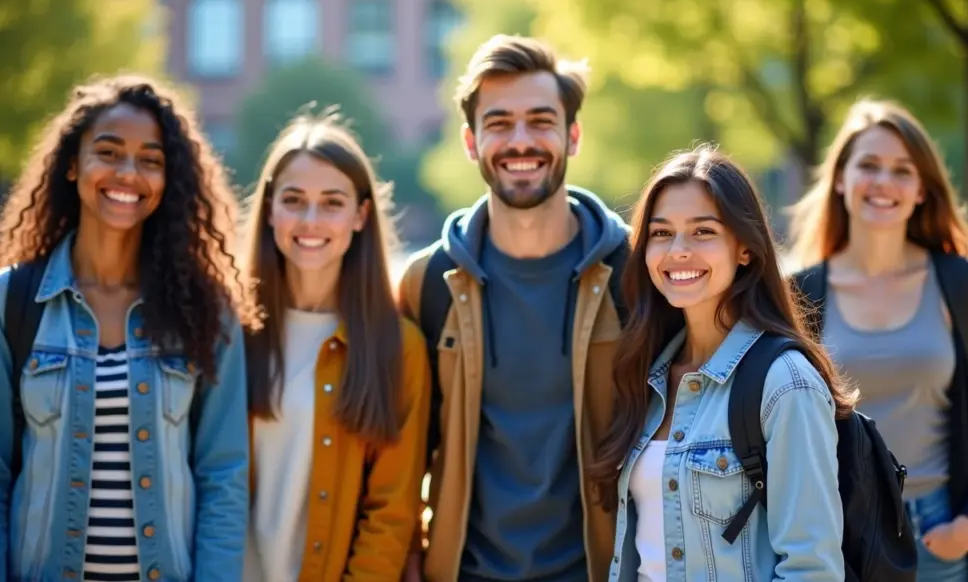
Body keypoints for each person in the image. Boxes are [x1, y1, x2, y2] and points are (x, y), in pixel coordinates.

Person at [0, 75, 254, 582]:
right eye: (109, 152)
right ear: (73, 165)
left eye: (151, 160)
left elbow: (222, 477)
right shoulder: (13, 302)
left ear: (169, 180)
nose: (128, 173)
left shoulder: (205, 310)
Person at [397, 34, 629, 582]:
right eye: (499, 123)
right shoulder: (427, 283)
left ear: (572, 135)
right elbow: (401, 455)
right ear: (471, 142)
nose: (520, 141)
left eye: (540, 121)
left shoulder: (635, 274)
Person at [788, 98, 968, 582]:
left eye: (902, 170)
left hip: (941, 530)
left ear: (921, 190)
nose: (884, 182)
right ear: (840, 179)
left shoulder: (962, 286)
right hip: (837, 534)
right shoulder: (800, 294)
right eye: (869, 165)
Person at [592, 148, 851, 581]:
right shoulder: (648, 377)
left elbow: (812, 570)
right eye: (661, 233)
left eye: (703, 232)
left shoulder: (785, 384)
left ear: (745, 249)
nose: (678, 251)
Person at [240, 110, 431, 582]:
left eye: (331, 203)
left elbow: (392, 510)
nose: (310, 220)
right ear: (269, 210)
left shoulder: (397, 347)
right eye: (293, 200)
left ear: (361, 215)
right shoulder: (230, 333)